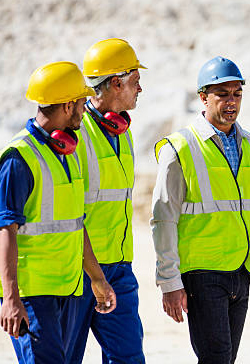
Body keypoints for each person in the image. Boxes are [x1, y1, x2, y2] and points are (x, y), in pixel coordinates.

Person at [151, 56, 250, 364]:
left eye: (237, 94)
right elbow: (163, 219)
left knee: (224, 360)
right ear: (203, 97)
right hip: (202, 274)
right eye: (222, 94)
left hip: (242, 273)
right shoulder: (179, 148)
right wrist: (170, 283)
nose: (231, 102)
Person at [0, 61, 117, 363]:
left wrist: (97, 278)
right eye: (81, 102)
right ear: (68, 105)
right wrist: (11, 298)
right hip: (33, 294)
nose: (84, 108)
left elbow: (76, 225)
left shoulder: (68, 154)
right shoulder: (18, 158)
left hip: (68, 289)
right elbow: (5, 230)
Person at [61, 39, 146, 363]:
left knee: (129, 358)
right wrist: (94, 274)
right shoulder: (77, 137)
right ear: (116, 83)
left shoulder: (123, 131)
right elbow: (71, 216)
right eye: (135, 81)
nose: (140, 88)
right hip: (80, 273)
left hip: (120, 269)